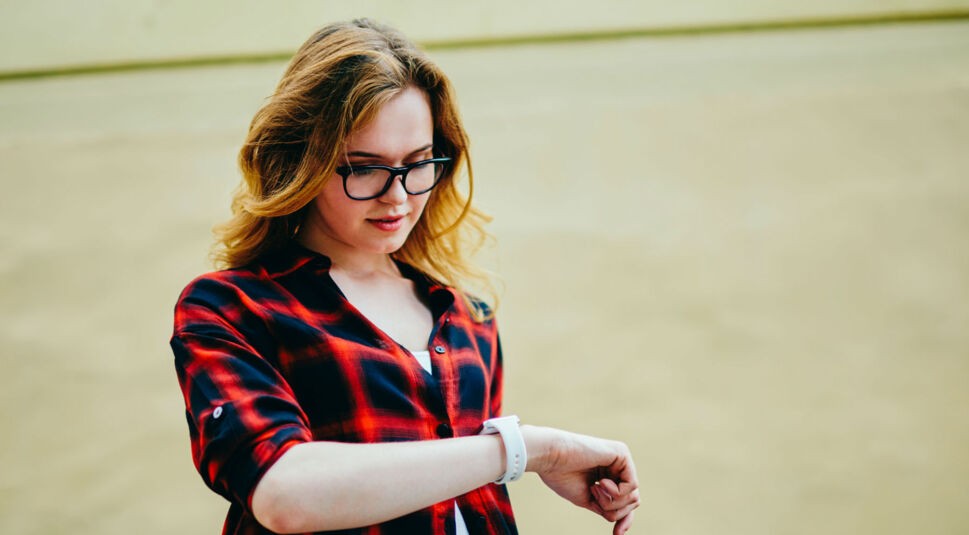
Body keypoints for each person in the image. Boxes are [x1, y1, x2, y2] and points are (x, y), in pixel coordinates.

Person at [170, 18, 639, 535]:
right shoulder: (232, 308)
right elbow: (284, 493)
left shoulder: (467, 316)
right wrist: (530, 450)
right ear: (302, 161)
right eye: (364, 167)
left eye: (419, 163)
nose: (398, 196)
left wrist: (513, 454)